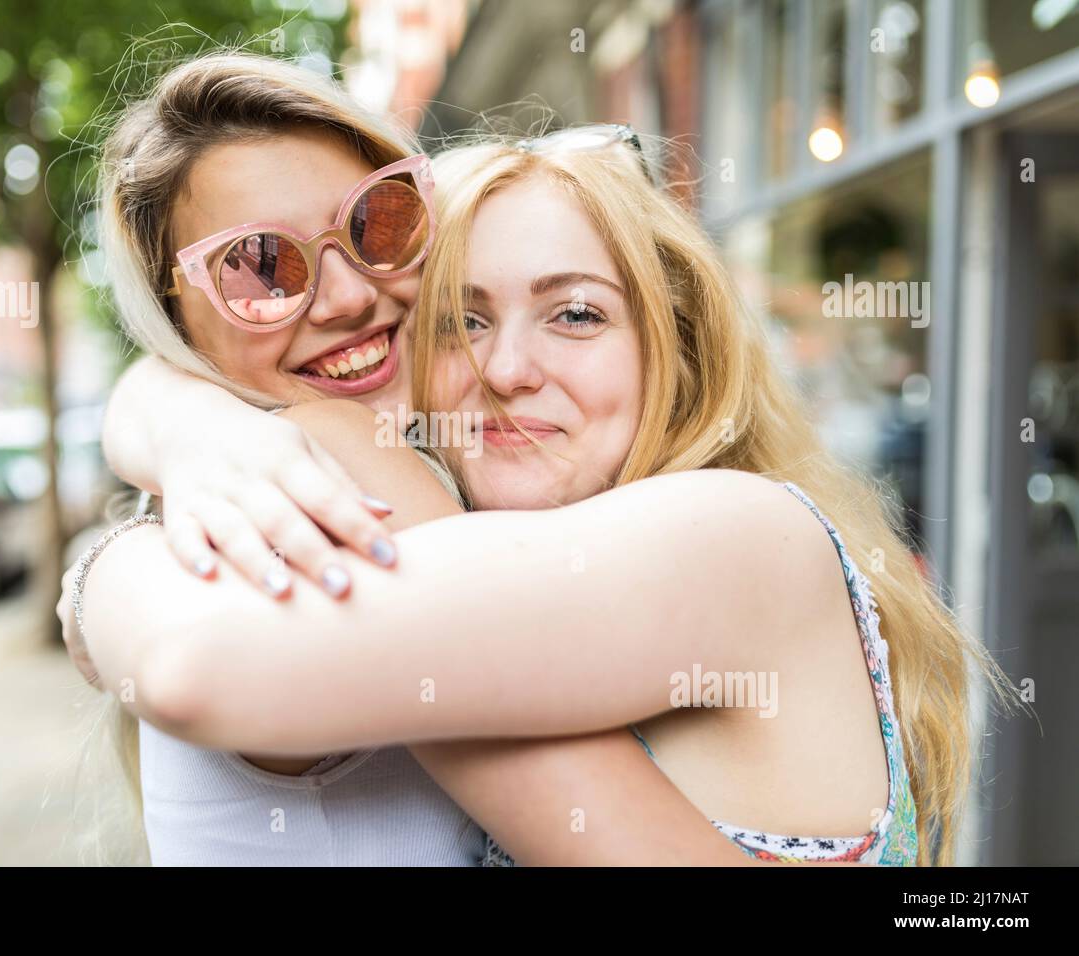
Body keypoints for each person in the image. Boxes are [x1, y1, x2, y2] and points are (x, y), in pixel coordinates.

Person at [68, 100, 1007, 864]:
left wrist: (117, 540)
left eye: (576, 314)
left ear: (675, 341)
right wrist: (174, 418)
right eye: (462, 322)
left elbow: (188, 668)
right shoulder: (367, 506)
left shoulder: (744, 535)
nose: (507, 368)